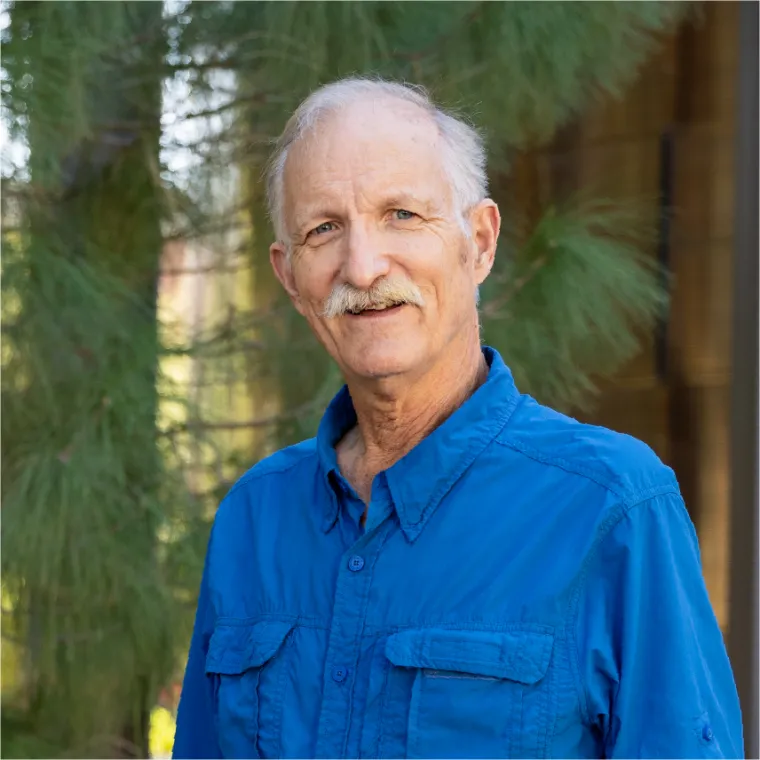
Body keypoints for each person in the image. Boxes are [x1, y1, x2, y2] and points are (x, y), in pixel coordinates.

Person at [172, 78, 743, 759]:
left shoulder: (611, 507)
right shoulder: (254, 517)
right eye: (324, 228)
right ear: (290, 275)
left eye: (402, 215)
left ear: (479, 241)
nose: (363, 263)